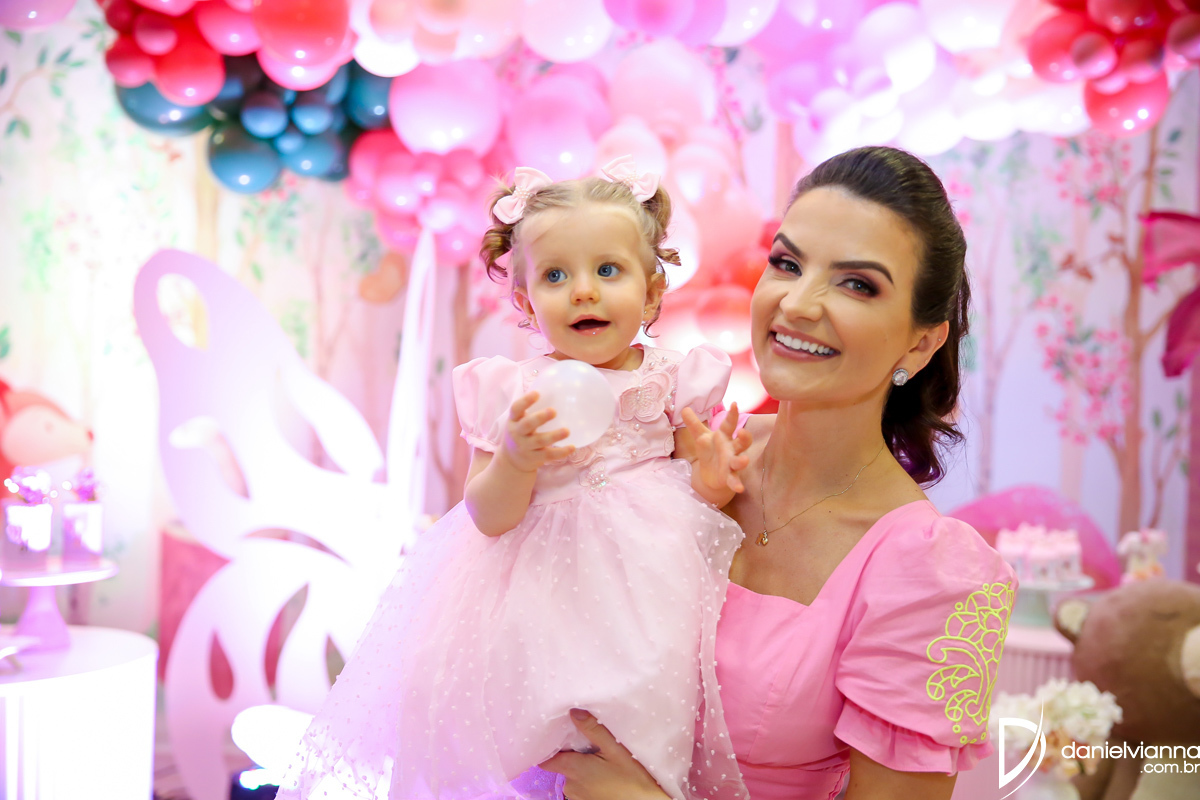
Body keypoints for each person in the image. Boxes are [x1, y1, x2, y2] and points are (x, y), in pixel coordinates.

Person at [542, 146, 1018, 800]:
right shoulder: (676, 446)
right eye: (788, 264)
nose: (797, 303)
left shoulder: (933, 573)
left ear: (921, 341)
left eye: (857, 284)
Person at [275, 157, 753, 800]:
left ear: (650, 292)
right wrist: (516, 459)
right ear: (527, 302)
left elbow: (699, 500)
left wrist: (714, 478)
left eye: (607, 270)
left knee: (641, 715)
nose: (582, 291)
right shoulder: (512, 391)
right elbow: (488, 515)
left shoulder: (674, 378)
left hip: (649, 588)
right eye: (556, 276)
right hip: (538, 594)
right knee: (533, 730)